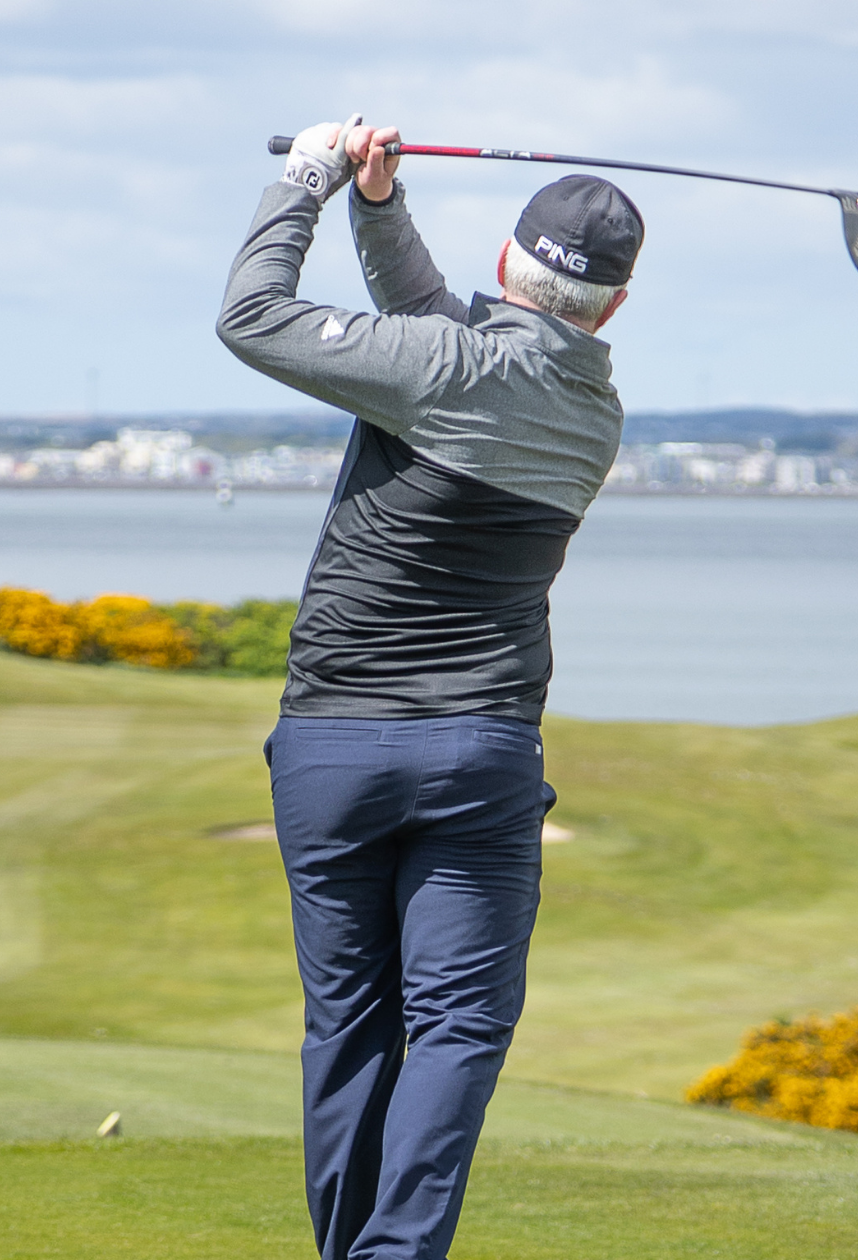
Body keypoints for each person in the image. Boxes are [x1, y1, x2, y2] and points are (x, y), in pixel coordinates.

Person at [217, 114, 643, 1260]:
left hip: (332, 751)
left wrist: (309, 180)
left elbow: (250, 317)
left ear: (507, 263)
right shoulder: (594, 413)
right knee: (453, 1027)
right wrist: (377, 208)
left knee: (348, 1027)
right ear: (613, 305)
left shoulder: (442, 365)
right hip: (478, 756)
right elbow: (439, 333)